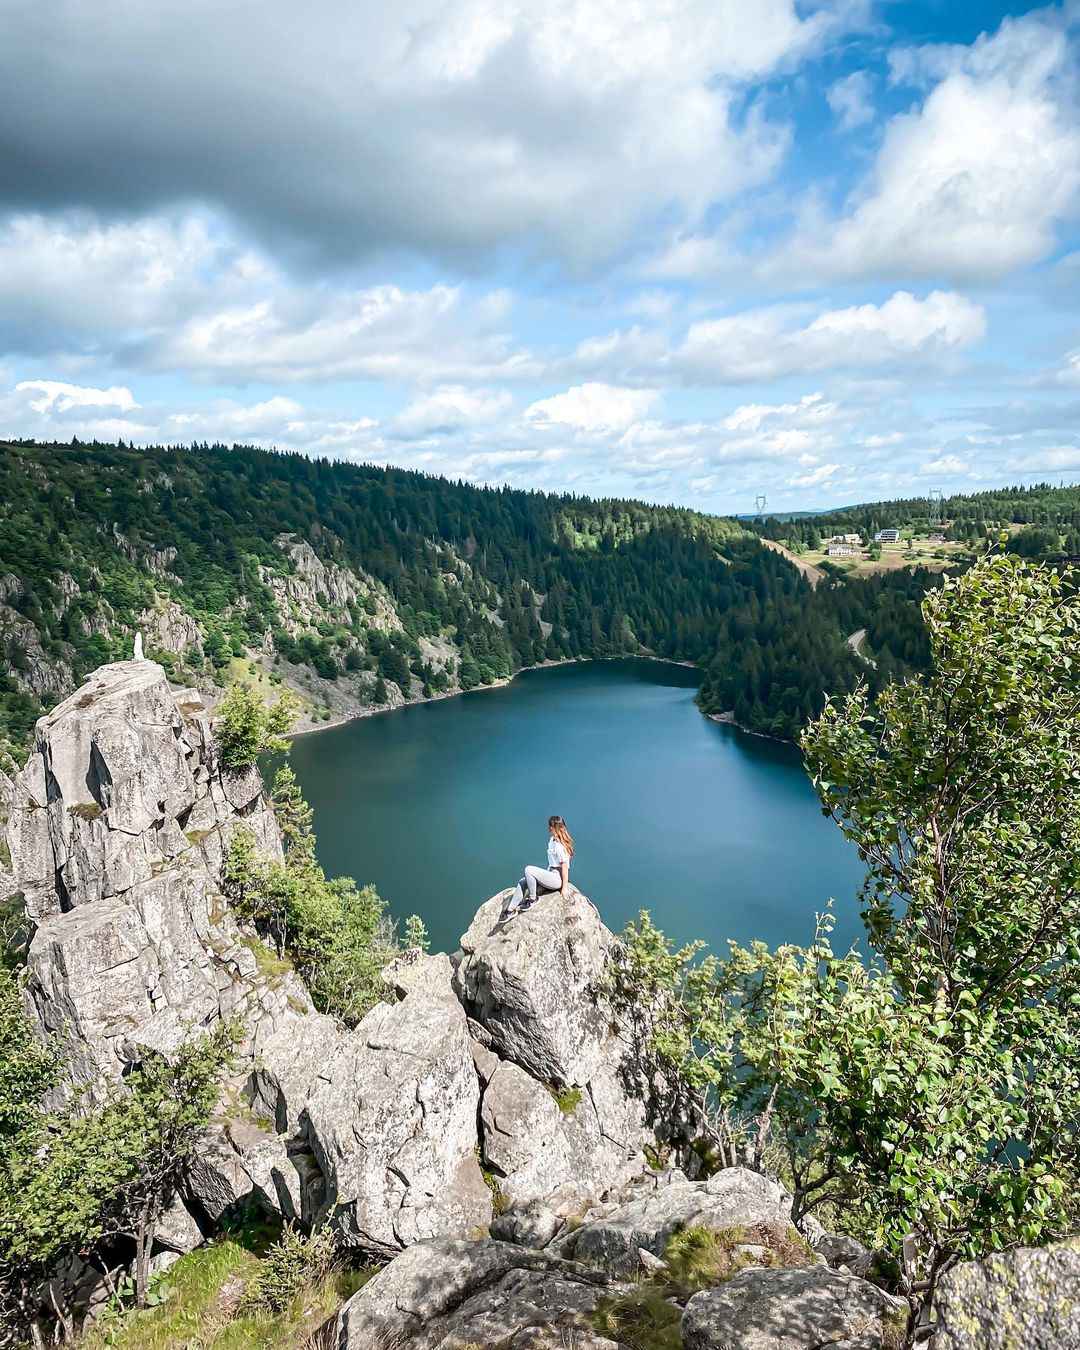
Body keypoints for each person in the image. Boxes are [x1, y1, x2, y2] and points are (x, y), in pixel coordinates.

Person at [500, 815, 574, 922]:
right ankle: (510, 911)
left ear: (552, 828)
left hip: (557, 879)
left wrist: (564, 888)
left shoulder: (560, 847)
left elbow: (565, 868)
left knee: (528, 869)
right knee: (522, 882)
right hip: (551, 874)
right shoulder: (552, 840)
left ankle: (533, 899)